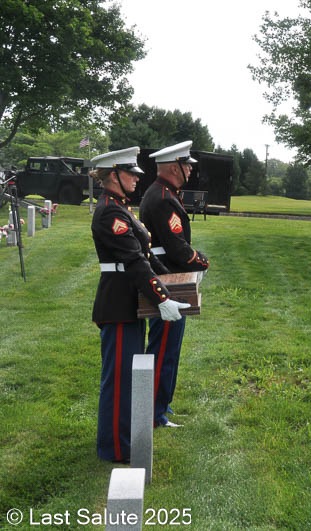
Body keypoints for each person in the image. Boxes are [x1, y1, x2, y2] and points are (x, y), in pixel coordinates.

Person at [90, 147, 189, 462]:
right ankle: (116, 449)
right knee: (119, 380)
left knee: (128, 376)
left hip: (127, 301)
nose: (136, 178)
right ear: (113, 175)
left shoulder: (120, 207)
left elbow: (145, 258)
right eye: (130, 173)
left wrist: (170, 287)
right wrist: (162, 298)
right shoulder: (110, 213)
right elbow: (133, 261)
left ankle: (124, 440)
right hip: (118, 304)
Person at [139, 140, 210, 428]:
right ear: (172, 168)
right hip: (169, 279)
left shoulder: (163, 193)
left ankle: (160, 406)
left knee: (167, 347)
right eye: (186, 165)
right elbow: (177, 247)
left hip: (167, 276)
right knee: (164, 350)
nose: (190, 170)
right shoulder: (163, 198)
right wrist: (201, 261)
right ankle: (154, 412)